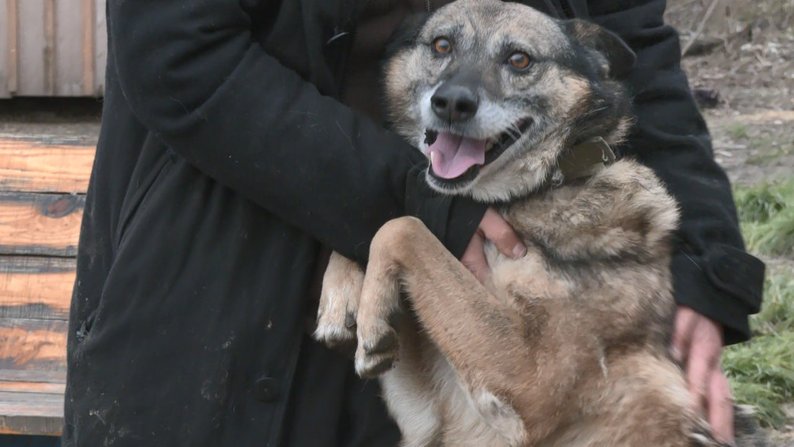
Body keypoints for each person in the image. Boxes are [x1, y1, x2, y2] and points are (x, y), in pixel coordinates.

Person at [63, 0, 765, 446]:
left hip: (451, 317)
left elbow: (633, 40)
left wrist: (707, 264)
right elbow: (181, 55)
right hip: (215, 303)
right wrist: (418, 207)